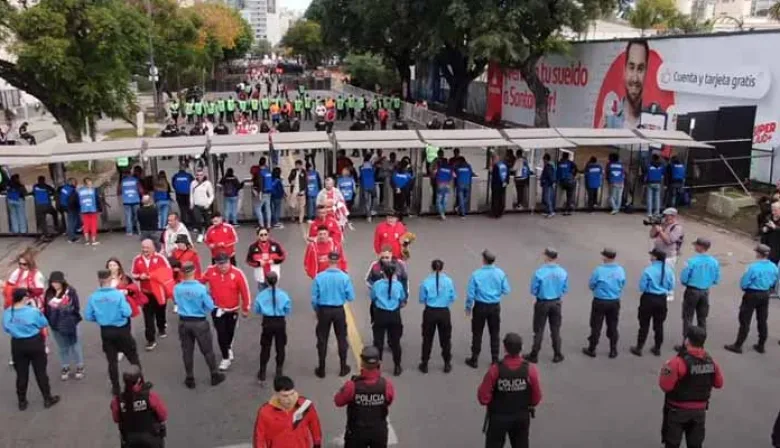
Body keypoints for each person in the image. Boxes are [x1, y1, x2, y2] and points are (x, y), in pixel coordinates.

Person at [659, 326, 723, 448]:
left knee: (672, 443)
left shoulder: (677, 362)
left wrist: (665, 368)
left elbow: (665, 386)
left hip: (677, 410)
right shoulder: (711, 362)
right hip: (699, 412)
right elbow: (719, 384)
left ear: (687, 340)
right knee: (695, 444)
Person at [477, 333, 542, 448]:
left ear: (505, 348)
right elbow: (536, 397)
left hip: (498, 417)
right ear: (521, 348)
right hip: (521, 416)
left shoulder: (495, 370)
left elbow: (483, 398)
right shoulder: (530, 370)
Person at [85, 270, 142, 395]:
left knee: (112, 361)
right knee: (132, 356)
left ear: (99, 280)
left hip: (106, 331)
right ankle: (140, 382)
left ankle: (116, 387)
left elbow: (88, 316)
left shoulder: (93, 297)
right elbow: (127, 312)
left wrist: (101, 318)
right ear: (110, 279)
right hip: (121, 329)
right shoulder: (118, 295)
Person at [3, 288, 60, 411]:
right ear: (24, 298)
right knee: (40, 372)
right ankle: (47, 398)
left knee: (21, 374)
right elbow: (43, 323)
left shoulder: (8, 312)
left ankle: (22, 401)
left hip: (18, 344)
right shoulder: (32, 311)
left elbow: (6, 328)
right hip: (34, 342)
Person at [173, 262, 225, 389]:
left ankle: (189, 377)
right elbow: (210, 306)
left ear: (182, 273)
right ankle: (214, 374)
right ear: (194, 271)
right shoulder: (201, 288)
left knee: (187, 351)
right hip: (199, 321)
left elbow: (176, 302)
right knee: (207, 350)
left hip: (184, 321)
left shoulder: (177, 288)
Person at [334, 346, 395, 447]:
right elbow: (389, 400)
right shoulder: (386, 385)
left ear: (362, 363)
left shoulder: (352, 386)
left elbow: (338, 401)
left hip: (356, 433)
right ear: (378, 363)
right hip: (378, 432)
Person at [724, 244, 779, 354]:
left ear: (758, 253)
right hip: (765, 294)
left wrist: (747, 288)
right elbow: (774, 280)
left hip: (752, 294)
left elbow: (744, 283)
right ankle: (761, 345)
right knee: (762, 320)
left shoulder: (753, 267)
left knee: (745, 320)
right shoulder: (773, 266)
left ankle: (738, 345)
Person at [201, 252, 251, 371]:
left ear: (229, 262)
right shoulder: (210, 271)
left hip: (232, 310)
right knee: (221, 334)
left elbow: (245, 291)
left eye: (225, 264)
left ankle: (228, 347)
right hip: (217, 309)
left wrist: (246, 308)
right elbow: (199, 281)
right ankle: (225, 357)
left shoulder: (238, 274)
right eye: (220, 264)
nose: (223, 267)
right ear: (216, 264)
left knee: (230, 333)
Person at [311, 252, 355, 378]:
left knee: (322, 339)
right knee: (341, 338)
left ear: (327, 260)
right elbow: (351, 297)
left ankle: (322, 368)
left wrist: (317, 310)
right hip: (338, 310)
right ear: (339, 261)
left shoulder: (319, 277)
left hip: (324, 310)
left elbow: (314, 298)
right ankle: (343, 367)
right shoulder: (344, 277)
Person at [465, 250, 511, 368]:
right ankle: (495, 359)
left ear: (484, 260)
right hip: (494, 306)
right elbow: (506, 290)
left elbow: (470, 294)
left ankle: (474, 358)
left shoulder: (476, 274)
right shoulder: (500, 273)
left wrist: (468, 307)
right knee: (494, 333)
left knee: (477, 333)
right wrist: (496, 292)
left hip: (480, 306)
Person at [253, 375, 323, 448]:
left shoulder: (305, 406)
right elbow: (259, 437)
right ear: (276, 394)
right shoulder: (265, 412)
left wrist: (317, 444)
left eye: (292, 394)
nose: (290, 399)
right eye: (285, 396)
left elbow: (315, 425)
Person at [676, 237, 720, 351]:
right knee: (702, 318)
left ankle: (686, 344)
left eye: (696, 245)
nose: (694, 247)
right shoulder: (714, 262)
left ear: (700, 247)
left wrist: (688, 282)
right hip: (705, 291)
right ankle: (700, 343)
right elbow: (716, 279)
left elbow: (684, 278)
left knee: (688, 317)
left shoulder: (692, 261)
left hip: (692, 291)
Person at [526, 247, 569, 364]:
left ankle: (534, 355)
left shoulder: (540, 272)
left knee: (539, 329)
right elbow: (565, 289)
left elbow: (533, 290)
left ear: (546, 257)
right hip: (556, 302)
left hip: (542, 302)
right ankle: (557, 354)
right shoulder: (563, 272)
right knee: (555, 329)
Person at [631, 248, 675, 357]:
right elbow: (671, 286)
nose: (650, 256)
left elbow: (642, 287)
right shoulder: (668, 270)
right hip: (661, 299)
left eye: (652, 255)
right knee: (659, 324)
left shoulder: (648, 270)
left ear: (655, 257)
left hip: (648, 298)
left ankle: (639, 347)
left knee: (644, 324)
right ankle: (657, 348)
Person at [131, 239, 174, 351]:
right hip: (145, 293)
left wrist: (153, 276)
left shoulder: (160, 258)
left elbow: (168, 271)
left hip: (159, 292)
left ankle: (161, 326)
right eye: (143, 247)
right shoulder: (137, 259)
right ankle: (150, 339)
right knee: (148, 317)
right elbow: (134, 274)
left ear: (153, 248)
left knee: (160, 311)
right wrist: (140, 276)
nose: (145, 250)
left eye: (147, 247)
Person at [583, 248, 626, 358]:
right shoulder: (620, 270)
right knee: (612, 325)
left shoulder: (599, 270)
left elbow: (591, 284)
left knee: (596, 325)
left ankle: (592, 348)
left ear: (605, 257)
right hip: (614, 301)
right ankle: (613, 349)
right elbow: (622, 284)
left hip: (600, 300)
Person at [111, 366, 168, 448]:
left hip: (129, 440)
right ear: (139, 380)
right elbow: (163, 416)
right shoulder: (150, 397)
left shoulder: (117, 401)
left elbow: (116, 419)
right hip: (151, 440)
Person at [43, 271, 85, 381]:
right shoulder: (49, 293)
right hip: (55, 325)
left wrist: (66, 310)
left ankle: (79, 366)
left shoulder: (70, 292)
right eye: (52, 282)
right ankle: (65, 366)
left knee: (75, 345)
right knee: (62, 347)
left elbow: (76, 307)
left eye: (57, 282)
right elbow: (46, 309)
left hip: (70, 323)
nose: (54, 284)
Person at [418, 259, 455, 374]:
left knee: (427, 339)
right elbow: (452, 297)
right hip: (444, 311)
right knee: (445, 339)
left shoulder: (425, 282)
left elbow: (422, 299)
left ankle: (424, 364)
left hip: (430, 312)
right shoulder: (449, 281)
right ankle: (447, 363)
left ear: (432, 268)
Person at [370, 263, 407, 376]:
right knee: (395, 342)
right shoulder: (398, 285)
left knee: (378, 342)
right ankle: (397, 366)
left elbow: (373, 297)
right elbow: (402, 298)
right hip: (394, 315)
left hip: (381, 314)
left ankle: (377, 366)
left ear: (383, 273)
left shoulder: (377, 284)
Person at [253, 272, 291, 382]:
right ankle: (279, 371)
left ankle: (262, 371)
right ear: (277, 280)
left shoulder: (261, 295)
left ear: (266, 281)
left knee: (265, 346)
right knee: (280, 347)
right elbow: (287, 309)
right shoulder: (283, 295)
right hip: (279, 322)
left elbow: (257, 310)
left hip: (267, 322)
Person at [650, 207, 684, 301]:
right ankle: (658, 289)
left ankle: (670, 292)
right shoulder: (663, 224)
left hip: (669, 255)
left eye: (666, 215)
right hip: (657, 253)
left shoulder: (677, 227)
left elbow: (669, 241)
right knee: (657, 272)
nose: (664, 217)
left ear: (672, 216)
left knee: (668, 274)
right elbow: (652, 235)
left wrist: (660, 231)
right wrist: (654, 226)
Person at [246, 227, 286, 292]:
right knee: (263, 297)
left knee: (273, 296)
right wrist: (258, 263)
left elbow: (283, 256)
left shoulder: (275, 245)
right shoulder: (253, 247)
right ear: (257, 236)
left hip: (273, 278)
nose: (264, 236)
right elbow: (248, 261)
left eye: (265, 234)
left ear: (268, 234)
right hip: (261, 278)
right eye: (261, 235)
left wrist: (274, 261)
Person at [190, 169, 214, 243]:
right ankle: (200, 233)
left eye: (201, 175)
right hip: (197, 205)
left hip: (205, 205)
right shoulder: (193, 183)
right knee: (198, 220)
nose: (199, 176)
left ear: (203, 175)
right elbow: (191, 194)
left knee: (208, 222)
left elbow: (211, 195)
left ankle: (206, 234)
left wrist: (208, 203)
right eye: (197, 175)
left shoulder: (207, 183)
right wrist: (191, 203)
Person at [78, 177, 101, 245]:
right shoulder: (93, 190)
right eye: (90, 183)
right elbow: (97, 200)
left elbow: (77, 200)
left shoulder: (80, 191)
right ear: (88, 183)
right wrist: (100, 209)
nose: (91, 184)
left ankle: (87, 241)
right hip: (92, 210)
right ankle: (93, 241)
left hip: (84, 210)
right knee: (93, 225)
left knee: (86, 225)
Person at [252, 157, 274, 229]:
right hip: (269, 192)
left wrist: (259, 192)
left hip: (262, 192)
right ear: (265, 163)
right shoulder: (268, 171)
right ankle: (268, 224)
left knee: (258, 208)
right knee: (268, 208)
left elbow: (260, 183)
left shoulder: (260, 173)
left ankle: (261, 224)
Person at [57, 177, 81, 242]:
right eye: (75, 182)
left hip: (64, 206)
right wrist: (79, 207)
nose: (76, 184)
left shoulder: (64, 188)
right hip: (71, 207)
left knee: (70, 221)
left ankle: (70, 233)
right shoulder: (72, 190)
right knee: (72, 222)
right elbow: (75, 200)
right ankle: (72, 237)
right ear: (73, 182)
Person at [119, 170, 142, 236]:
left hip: (126, 201)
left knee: (128, 217)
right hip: (135, 200)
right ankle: (139, 231)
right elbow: (140, 189)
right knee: (137, 216)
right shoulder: (135, 180)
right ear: (131, 173)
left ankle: (129, 232)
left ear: (125, 174)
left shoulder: (123, 181)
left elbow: (119, 190)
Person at [489, 154, 510, 218]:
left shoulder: (496, 166)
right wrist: (506, 182)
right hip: (503, 184)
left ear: (495, 160)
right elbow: (507, 174)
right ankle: (501, 212)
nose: (492, 161)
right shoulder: (504, 165)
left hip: (496, 185)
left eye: (493, 160)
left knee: (496, 198)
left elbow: (493, 174)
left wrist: (490, 165)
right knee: (501, 198)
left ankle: (496, 213)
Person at [434, 155, 453, 220]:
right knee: (444, 200)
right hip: (447, 185)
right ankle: (443, 213)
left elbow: (436, 175)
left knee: (439, 201)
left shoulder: (439, 168)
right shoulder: (450, 168)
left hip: (440, 184)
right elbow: (451, 177)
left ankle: (441, 213)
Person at [358, 154, 377, 222]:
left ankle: (368, 215)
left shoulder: (361, 167)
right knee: (374, 197)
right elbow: (374, 172)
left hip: (365, 185)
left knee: (366, 201)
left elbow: (360, 175)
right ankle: (372, 210)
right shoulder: (372, 167)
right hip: (372, 184)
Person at [288, 159, 307, 224]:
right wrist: (291, 181)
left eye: (299, 165)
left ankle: (300, 220)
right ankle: (292, 217)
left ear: (301, 165)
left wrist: (304, 190)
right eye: (296, 165)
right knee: (292, 205)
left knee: (301, 206)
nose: (297, 166)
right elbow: (289, 178)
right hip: (294, 191)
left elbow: (306, 181)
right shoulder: (293, 171)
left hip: (301, 191)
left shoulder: (304, 172)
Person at [540, 153, 556, 218]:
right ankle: (547, 211)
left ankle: (551, 212)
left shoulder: (548, 166)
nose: (543, 160)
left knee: (547, 198)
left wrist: (551, 182)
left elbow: (549, 175)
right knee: (547, 197)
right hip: (548, 183)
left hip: (547, 184)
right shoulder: (551, 165)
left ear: (546, 159)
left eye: (544, 159)